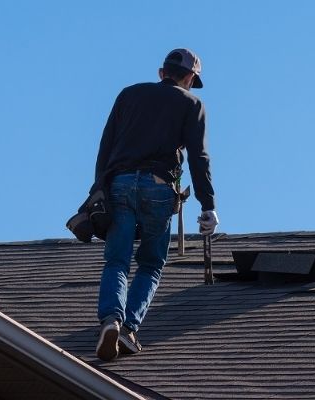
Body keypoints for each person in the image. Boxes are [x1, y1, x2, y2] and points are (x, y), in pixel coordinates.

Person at [93, 48, 218, 361]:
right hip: (160, 187)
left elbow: (105, 144)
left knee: (117, 260)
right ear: (189, 77)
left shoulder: (128, 95)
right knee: (150, 264)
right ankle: (129, 328)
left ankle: (111, 319)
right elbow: (198, 157)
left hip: (119, 182)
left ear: (162, 72)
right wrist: (208, 205)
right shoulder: (192, 103)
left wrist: (99, 189)